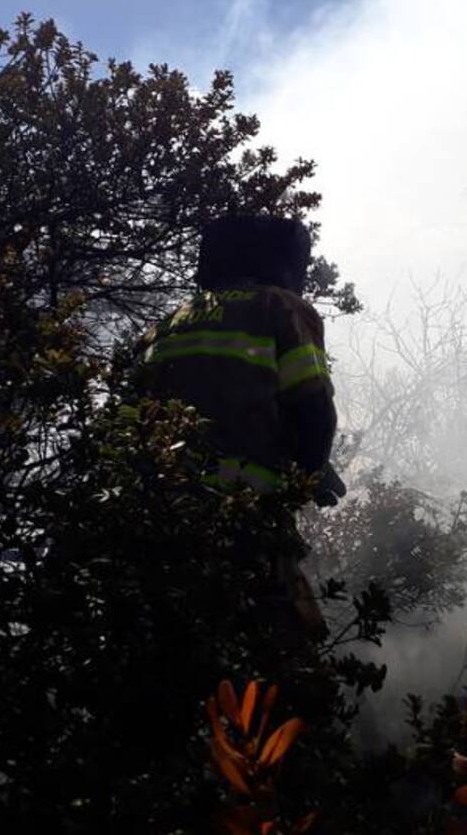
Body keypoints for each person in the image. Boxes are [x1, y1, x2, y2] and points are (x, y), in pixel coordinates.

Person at [134, 214, 345, 637]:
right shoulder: (277, 306)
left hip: (155, 520)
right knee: (283, 652)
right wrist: (313, 469)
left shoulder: (167, 323)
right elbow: (313, 408)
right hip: (243, 521)